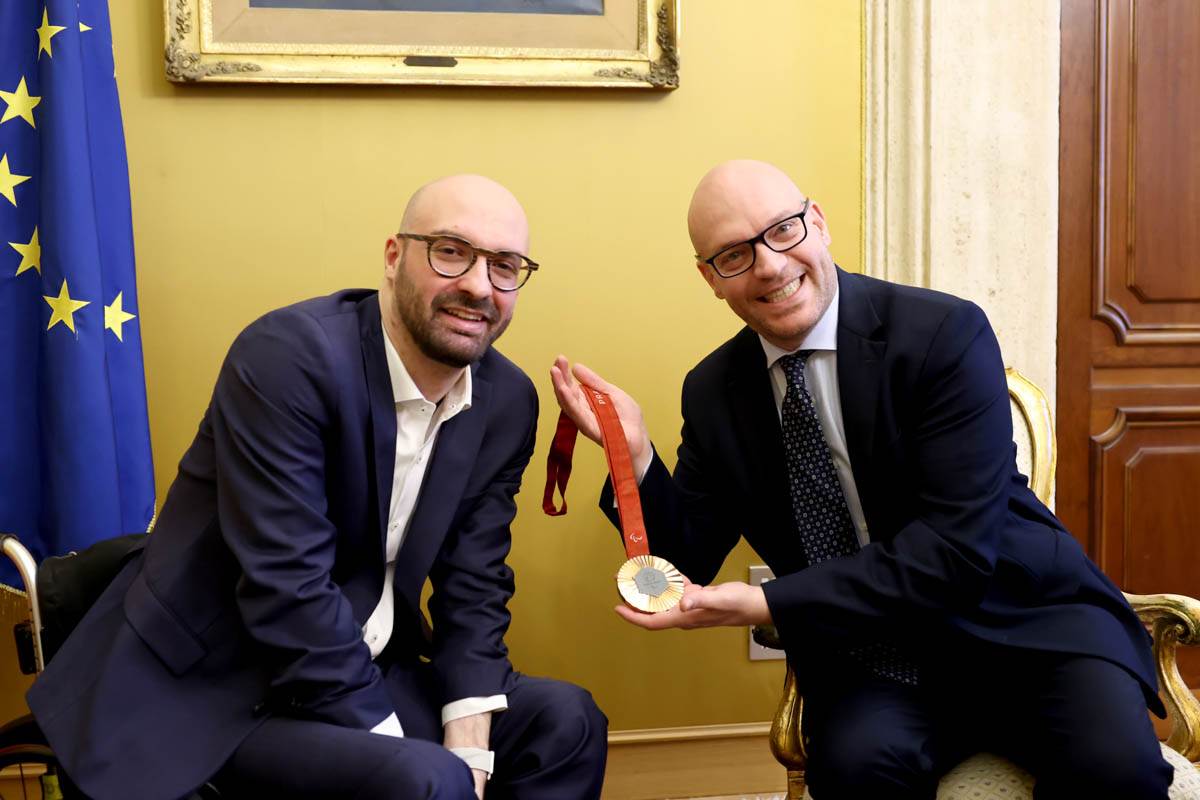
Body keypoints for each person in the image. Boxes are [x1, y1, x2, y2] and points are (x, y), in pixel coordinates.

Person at [551, 160, 1171, 799]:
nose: (768, 265)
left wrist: (770, 602)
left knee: (1117, 772)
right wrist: (635, 457)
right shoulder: (714, 391)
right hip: (871, 659)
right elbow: (682, 562)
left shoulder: (940, 334)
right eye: (735, 255)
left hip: (1026, 628)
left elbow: (955, 551)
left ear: (816, 224)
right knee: (852, 773)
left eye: (783, 231)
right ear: (710, 278)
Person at [28, 175, 608, 800]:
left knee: (566, 723)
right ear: (394, 256)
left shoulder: (506, 400)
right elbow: (288, 586)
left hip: (359, 663)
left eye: (504, 266)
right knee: (423, 779)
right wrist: (410, 758)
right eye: (450, 251)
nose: (476, 285)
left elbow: (474, 582)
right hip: (213, 690)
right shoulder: (288, 358)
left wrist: (470, 749)